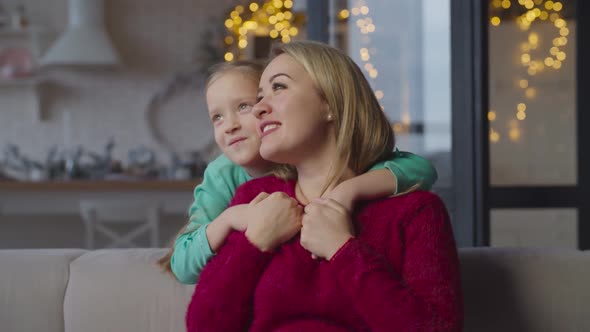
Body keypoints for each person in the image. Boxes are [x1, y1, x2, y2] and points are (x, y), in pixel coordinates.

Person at [185, 41, 463, 331]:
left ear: (330, 102)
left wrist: (342, 249)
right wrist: (255, 243)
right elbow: (203, 326)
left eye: (278, 88)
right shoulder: (255, 199)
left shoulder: (416, 212)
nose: (258, 109)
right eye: (258, 97)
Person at [158, 60, 439, 285]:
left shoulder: (306, 158)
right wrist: (233, 217)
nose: (229, 125)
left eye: (244, 106)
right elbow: (183, 265)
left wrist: (346, 192)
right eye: (216, 117)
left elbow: (420, 169)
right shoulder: (224, 175)